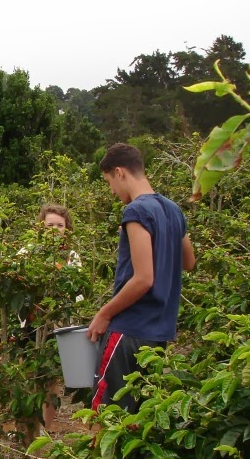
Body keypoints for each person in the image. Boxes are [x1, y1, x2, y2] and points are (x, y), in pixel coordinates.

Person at [86, 144, 196, 414]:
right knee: (142, 416)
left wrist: (104, 313)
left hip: (129, 329)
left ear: (119, 173)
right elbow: (189, 262)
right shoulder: (172, 210)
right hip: (158, 333)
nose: (112, 191)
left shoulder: (136, 211)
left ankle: (100, 458)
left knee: (107, 414)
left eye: (109, 182)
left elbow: (143, 278)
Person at [36, 203, 82, 430]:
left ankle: (46, 429)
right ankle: (27, 428)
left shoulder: (72, 257)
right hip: (31, 325)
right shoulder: (28, 252)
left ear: (67, 229)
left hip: (58, 325)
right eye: (50, 225)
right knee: (28, 376)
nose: (55, 229)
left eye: (60, 225)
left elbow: (79, 293)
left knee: (51, 381)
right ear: (41, 227)